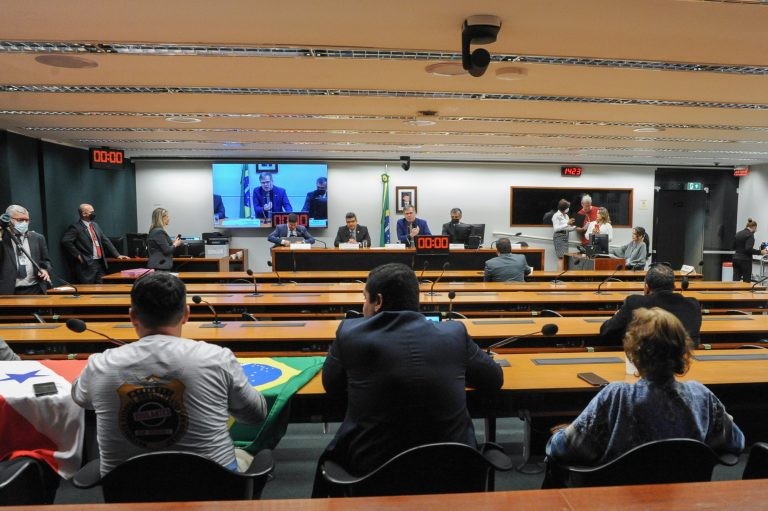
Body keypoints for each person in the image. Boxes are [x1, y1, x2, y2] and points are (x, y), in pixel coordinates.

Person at [313, 263, 502, 494]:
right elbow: (493, 379)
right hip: (452, 474)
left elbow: (331, 386)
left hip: (373, 476)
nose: (363, 306)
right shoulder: (453, 333)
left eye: (365, 298)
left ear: (378, 302)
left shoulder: (350, 333)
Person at [71, 272, 267, 476]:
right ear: (186, 314)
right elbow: (255, 415)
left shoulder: (99, 364)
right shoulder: (218, 358)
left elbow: (80, 397)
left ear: (132, 317)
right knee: (245, 458)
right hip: (211, 488)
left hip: (127, 492)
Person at [545, 307, 744, 485]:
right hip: (684, 498)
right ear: (681, 351)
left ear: (634, 353)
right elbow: (736, 443)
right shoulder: (702, 396)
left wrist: (565, 432)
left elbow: (564, 449)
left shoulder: (616, 396)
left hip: (617, 499)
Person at [598, 263, 701, 346]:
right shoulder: (692, 304)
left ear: (646, 287)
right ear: (674, 286)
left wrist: (618, 316)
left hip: (647, 361)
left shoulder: (635, 303)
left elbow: (606, 331)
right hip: (685, 362)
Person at [61, 203, 129, 284]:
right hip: (87, 264)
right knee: (88, 289)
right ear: (84, 214)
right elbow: (65, 241)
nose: (94, 214)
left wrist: (117, 255)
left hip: (100, 263)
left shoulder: (95, 225)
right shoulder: (76, 227)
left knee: (101, 288)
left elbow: (105, 240)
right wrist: (77, 255)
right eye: (91, 212)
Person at [0, 204, 52, 295]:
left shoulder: (38, 238)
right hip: (9, 291)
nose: (24, 223)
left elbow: (46, 261)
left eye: (26, 220)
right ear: (8, 219)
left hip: (35, 289)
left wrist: (45, 269)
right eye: (20, 220)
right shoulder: (2, 239)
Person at [732, 218, 767, 282]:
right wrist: (760, 252)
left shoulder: (738, 233)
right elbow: (748, 249)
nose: (756, 230)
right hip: (745, 261)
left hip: (736, 259)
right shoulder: (750, 235)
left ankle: (734, 291)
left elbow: (733, 246)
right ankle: (745, 292)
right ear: (753, 227)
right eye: (756, 228)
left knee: (735, 280)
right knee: (746, 281)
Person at [552, 199, 576, 272]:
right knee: (561, 257)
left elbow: (567, 228)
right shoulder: (556, 216)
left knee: (564, 257)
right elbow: (556, 229)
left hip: (565, 236)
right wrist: (567, 224)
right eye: (567, 207)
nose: (568, 209)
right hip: (559, 236)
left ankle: (562, 274)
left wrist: (575, 228)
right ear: (564, 208)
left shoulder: (566, 216)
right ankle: (559, 276)